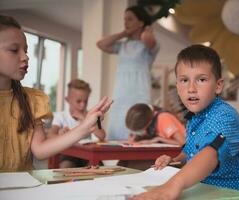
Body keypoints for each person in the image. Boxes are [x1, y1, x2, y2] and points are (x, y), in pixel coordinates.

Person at [130, 45, 239, 200]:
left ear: (218, 86)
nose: (191, 88)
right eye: (184, 80)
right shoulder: (193, 118)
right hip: (203, 189)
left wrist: (174, 184)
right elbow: (191, 150)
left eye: (201, 79)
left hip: (234, 194)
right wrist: (176, 159)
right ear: (177, 86)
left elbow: (211, 153)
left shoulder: (225, 116)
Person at [0, 15, 113, 172]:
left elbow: (40, 150)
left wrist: (86, 125)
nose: (25, 57)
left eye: (26, 50)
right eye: (14, 50)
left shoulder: (31, 100)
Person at [96, 5, 159, 140]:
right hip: (121, 95)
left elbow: (149, 39)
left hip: (139, 95)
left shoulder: (148, 45)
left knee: (136, 134)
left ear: (141, 22)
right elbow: (101, 44)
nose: (126, 22)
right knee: (117, 134)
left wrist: (147, 28)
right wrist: (123, 33)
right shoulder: (123, 45)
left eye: (130, 19)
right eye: (124, 19)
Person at [48, 79, 106, 168]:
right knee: (66, 166)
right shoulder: (61, 116)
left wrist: (85, 119)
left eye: (85, 101)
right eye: (78, 101)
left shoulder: (91, 115)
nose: (82, 105)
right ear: (67, 100)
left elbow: (102, 135)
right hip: (68, 154)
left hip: (88, 155)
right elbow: (50, 135)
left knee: (97, 167)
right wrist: (61, 135)